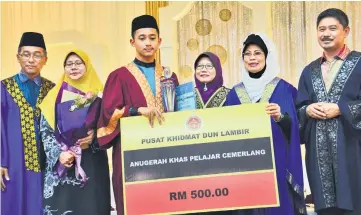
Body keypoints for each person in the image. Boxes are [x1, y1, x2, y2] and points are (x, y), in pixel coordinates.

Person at [97, 15, 179, 215]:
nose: (148, 43)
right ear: (132, 42)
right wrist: (135, 110)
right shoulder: (119, 76)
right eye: (142, 38)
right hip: (131, 156)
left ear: (160, 41)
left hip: (167, 153)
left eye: (152, 38)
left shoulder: (169, 76)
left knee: (167, 203)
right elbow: (108, 114)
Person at [224, 33, 306, 215]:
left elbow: (297, 130)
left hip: (277, 164)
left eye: (258, 53)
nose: (252, 58)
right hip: (244, 167)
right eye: (247, 53)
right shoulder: (234, 94)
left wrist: (279, 117)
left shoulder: (284, 89)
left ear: (266, 56)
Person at [296, 8, 361, 215]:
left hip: (353, 151)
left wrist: (341, 109)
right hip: (318, 155)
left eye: (333, 28)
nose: (326, 33)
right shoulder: (309, 71)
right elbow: (299, 106)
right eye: (321, 29)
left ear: (346, 31)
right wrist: (307, 110)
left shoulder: (360, 63)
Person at [39, 50, 111, 215]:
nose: (73, 67)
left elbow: (109, 125)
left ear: (87, 66)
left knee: (92, 207)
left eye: (78, 63)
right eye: (69, 64)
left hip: (91, 163)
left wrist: (94, 137)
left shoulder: (100, 94)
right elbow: (46, 130)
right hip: (64, 164)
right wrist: (59, 154)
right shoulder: (53, 96)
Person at [1, 32, 55, 215]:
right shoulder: (4, 87)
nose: (31, 59)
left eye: (37, 55)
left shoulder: (52, 89)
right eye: (26, 54)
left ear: (45, 59)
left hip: (47, 165)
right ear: (18, 57)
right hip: (14, 164)